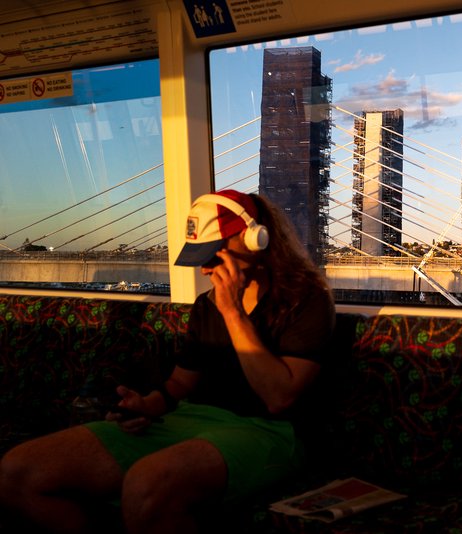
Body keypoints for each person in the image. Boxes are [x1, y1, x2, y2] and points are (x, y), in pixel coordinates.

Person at [0, 190, 336, 533]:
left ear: (255, 239)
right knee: (18, 471)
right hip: (191, 419)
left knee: (147, 487)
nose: (205, 269)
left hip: (269, 432)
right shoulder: (207, 307)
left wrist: (233, 312)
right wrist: (146, 406)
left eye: (213, 256)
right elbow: (180, 383)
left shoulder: (306, 300)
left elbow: (280, 399)